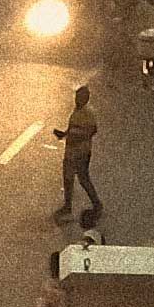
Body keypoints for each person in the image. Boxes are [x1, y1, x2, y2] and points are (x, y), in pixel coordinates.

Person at [52, 86, 104, 223]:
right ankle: (68, 206)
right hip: (70, 151)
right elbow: (72, 129)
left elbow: (92, 131)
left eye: (80, 98)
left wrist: (77, 138)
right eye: (76, 97)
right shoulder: (76, 112)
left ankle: (97, 204)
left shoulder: (89, 113)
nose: (77, 100)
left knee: (83, 179)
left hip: (81, 152)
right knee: (68, 179)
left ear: (86, 99)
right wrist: (63, 134)